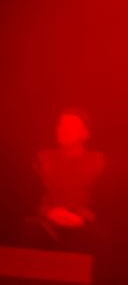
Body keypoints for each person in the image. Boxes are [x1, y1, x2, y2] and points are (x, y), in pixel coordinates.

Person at [25, 107, 105, 252]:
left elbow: (104, 202)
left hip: (86, 229)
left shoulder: (98, 162)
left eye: (72, 126)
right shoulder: (42, 159)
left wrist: (81, 217)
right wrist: (49, 213)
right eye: (61, 125)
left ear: (85, 133)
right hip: (44, 226)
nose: (64, 130)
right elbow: (29, 197)